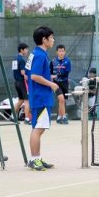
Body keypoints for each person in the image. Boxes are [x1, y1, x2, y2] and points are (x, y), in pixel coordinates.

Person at [25, 26, 59, 171]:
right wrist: (51, 83)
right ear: (44, 40)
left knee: (39, 128)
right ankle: (33, 160)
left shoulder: (35, 54)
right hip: (40, 97)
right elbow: (33, 76)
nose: (53, 40)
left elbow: (29, 74)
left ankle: (37, 158)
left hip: (38, 95)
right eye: (51, 37)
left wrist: (48, 77)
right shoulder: (39, 55)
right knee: (37, 129)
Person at [50, 44, 72, 124]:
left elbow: (66, 73)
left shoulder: (67, 62)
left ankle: (59, 117)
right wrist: (51, 76)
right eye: (60, 51)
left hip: (64, 83)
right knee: (61, 99)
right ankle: (63, 117)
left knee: (62, 100)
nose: (61, 53)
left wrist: (56, 75)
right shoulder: (53, 61)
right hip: (56, 84)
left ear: (65, 52)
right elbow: (50, 72)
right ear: (57, 52)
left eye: (63, 51)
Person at [12, 43, 31, 125]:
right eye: (26, 49)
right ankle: (27, 119)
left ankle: (13, 116)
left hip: (16, 82)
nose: (27, 51)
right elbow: (23, 72)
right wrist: (29, 78)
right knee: (27, 100)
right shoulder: (22, 60)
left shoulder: (15, 59)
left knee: (20, 100)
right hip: (22, 82)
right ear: (21, 50)